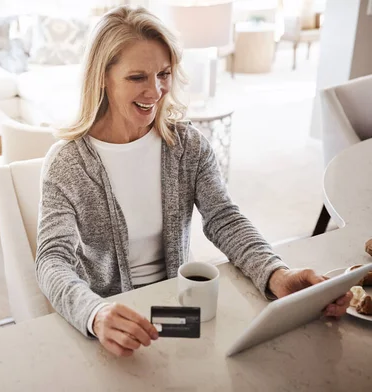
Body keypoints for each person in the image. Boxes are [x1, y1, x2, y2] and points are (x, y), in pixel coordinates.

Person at [35, 6, 352, 358]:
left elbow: (223, 218)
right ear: (103, 79)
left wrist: (275, 272)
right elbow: (52, 259)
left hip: (178, 306)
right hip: (110, 315)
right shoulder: (66, 163)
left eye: (164, 74)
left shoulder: (187, 146)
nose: (155, 91)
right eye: (137, 77)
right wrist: (95, 313)